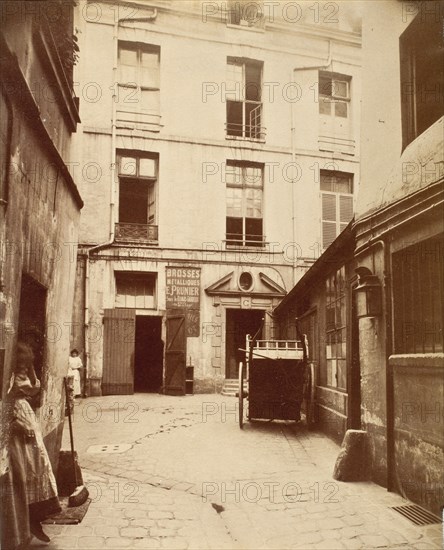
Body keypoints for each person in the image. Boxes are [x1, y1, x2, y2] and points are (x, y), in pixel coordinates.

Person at [6, 342, 61, 545]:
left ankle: (35, 517)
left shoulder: (24, 371)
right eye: (21, 364)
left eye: (26, 364)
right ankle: (26, 520)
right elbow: (5, 398)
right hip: (13, 422)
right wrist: (16, 423)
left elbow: (34, 387)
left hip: (26, 414)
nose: (24, 368)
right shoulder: (5, 375)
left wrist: (29, 368)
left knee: (39, 465)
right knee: (22, 471)